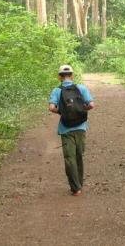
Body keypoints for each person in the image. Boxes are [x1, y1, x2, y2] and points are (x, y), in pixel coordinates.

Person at [48, 65, 95, 196]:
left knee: (70, 158)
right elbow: (91, 104)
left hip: (65, 129)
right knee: (79, 156)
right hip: (81, 127)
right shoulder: (81, 88)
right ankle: (79, 183)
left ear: (59, 77)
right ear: (72, 76)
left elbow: (51, 107)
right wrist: (80, 110)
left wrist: (62, 111)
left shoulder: (57, 91)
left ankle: (76, 188)